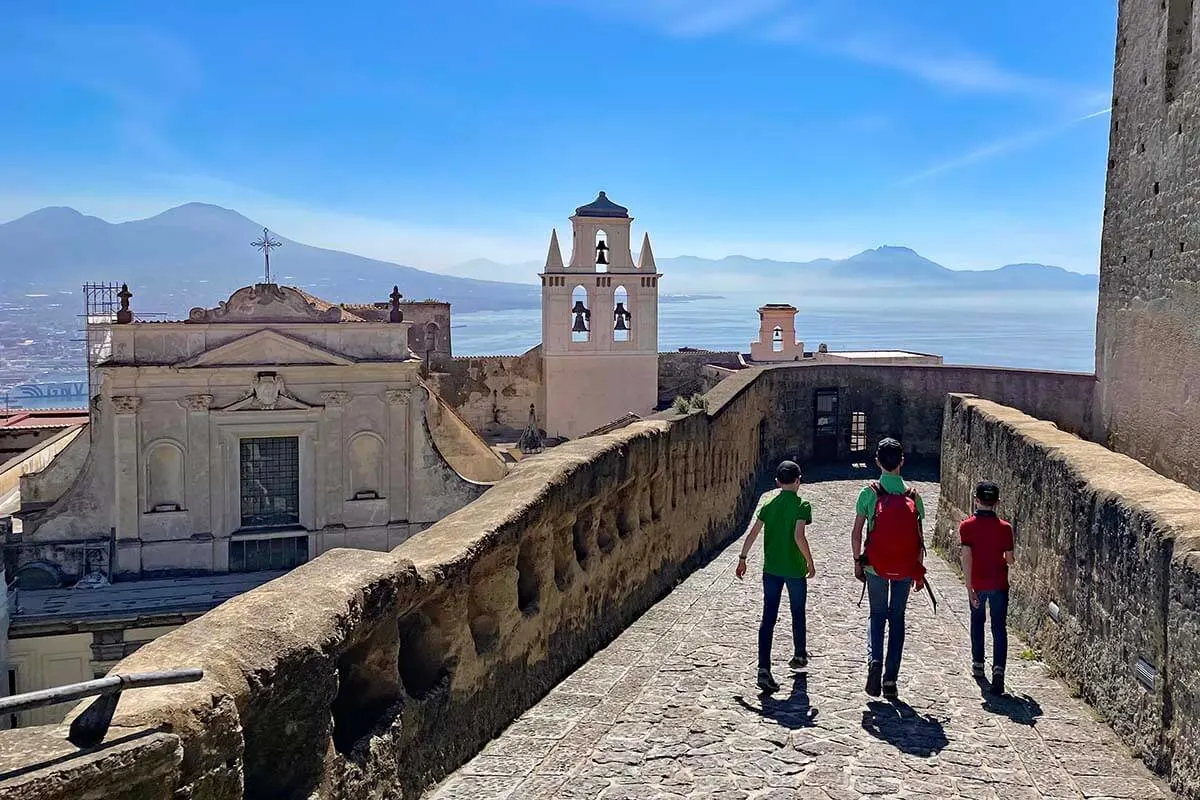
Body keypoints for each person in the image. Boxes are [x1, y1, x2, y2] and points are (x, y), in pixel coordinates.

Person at [851, 437, 926, 700]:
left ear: (877, 462)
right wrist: (918, 568)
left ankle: (874, 662)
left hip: (875, 566)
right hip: (905, 567)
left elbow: (857, 532)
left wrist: (857, 561)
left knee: (877, 615)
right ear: (902, 462)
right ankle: (891, 678)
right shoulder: (914, 496)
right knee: (897, 618)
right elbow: (919, 537)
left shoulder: (869, 493)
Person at [736, 459, 815, 693]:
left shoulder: (769, 505)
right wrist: (810, 562)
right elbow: (799, 536)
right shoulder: (802, 505)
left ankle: (763, 668)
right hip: (794, 569)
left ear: (778, 482)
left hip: (771, 569)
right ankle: (799, 654)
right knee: (797, 611)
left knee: (768, 618)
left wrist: (743, 558)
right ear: (799, 480)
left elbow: (752, 533)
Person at [959, 480, 1015, 695]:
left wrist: (969, 585)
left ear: (976, 500)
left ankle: (978, 664)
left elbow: (966, 556)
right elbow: (1009, 560)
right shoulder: (1005, 528)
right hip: (999, 583)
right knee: (999, 627)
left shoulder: (966, 526)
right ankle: (999, 671)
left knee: (977, 622)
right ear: (997, 503)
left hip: (978, 583)